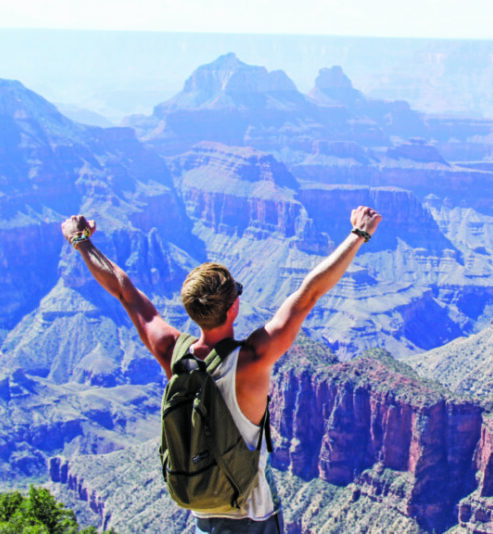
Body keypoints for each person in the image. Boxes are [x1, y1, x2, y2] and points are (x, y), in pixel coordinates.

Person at [60, 206, 382, 534]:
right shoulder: (251, 360)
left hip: (201, 514)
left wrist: (81, 240)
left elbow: (124, 292)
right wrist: (358, 234)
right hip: (252, 520)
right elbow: (308, 295)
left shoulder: (171, 353)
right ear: (233, 308)